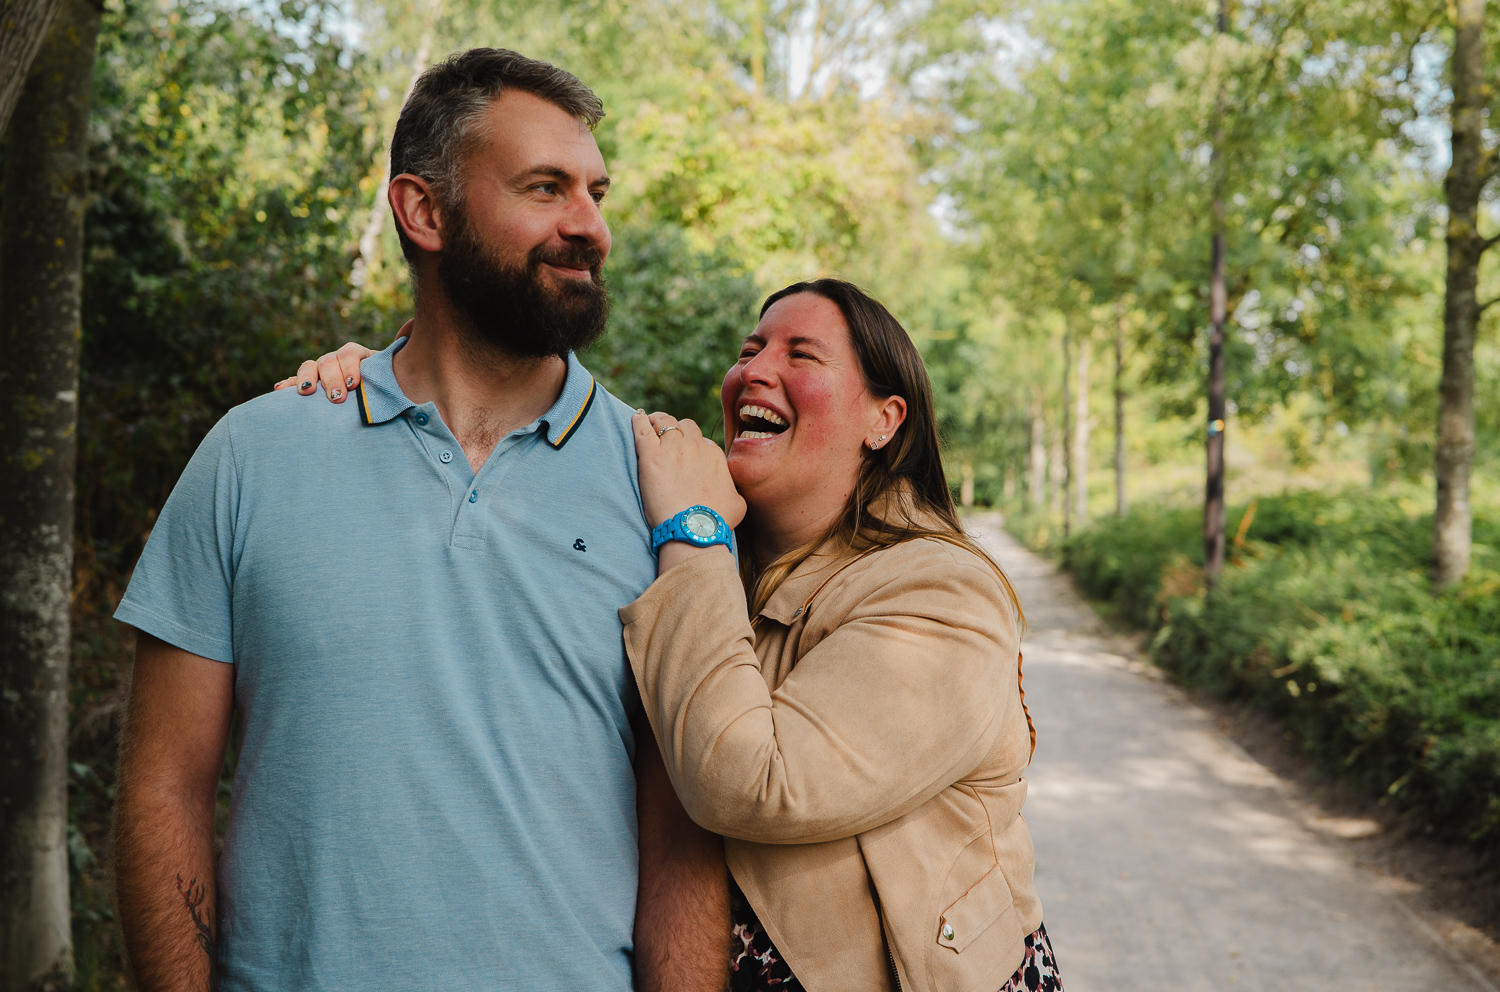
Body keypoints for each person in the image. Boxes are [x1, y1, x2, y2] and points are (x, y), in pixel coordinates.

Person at [110, 48, 730, 992]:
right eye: (546, 187)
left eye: (596, 192)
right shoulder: (254, 455)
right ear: (424, 211)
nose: (591, 226)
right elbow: (163, 788)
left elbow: (678, 836)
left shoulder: (665, 489)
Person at [316, 279, 1060, 992]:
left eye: (801, 355)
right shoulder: (712, 550)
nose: (755, 371)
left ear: (884, 419)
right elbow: (553, 419)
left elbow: (754, 783)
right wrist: (391, 378)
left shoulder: (940, 593)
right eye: (749, 351)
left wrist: (695, 534)